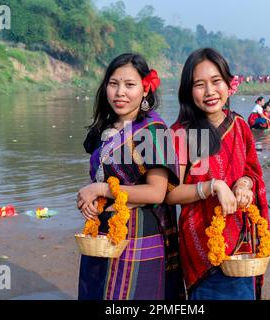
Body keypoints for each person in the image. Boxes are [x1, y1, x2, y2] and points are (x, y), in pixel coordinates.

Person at [77, 53, 185, 300]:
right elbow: (101, 179)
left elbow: (157, 192)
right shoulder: (105, 130)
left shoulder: (153, 130)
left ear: (145, 89)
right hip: (103, 231)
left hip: (139, 233)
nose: (120, 92)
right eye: (113, 84)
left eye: (129, 85)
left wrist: (100, 190)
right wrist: (88, 199)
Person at [165, 48, 270, 300]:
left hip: (242, 243)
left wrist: (244, 185)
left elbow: (251, 172)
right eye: (199, 85)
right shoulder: (180, 133)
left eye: (216, 81)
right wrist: (213, 185)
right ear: (189, 92)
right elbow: (170, 193)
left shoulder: (241, 126)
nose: (210, 91)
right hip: (201, 243)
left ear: (228, 84)